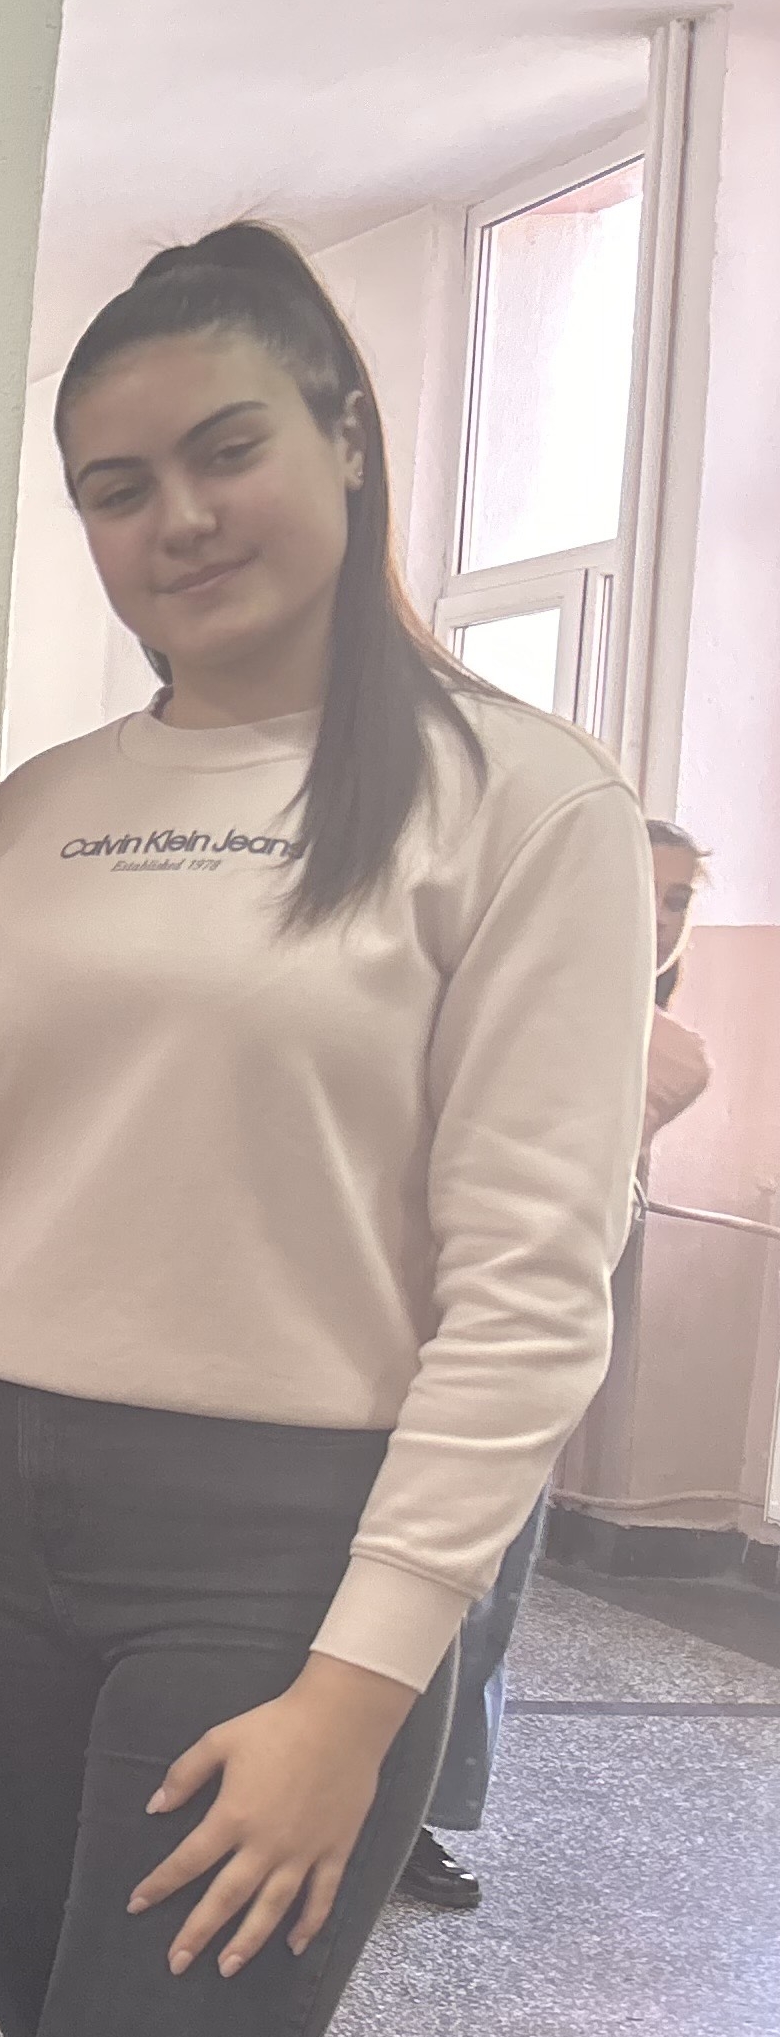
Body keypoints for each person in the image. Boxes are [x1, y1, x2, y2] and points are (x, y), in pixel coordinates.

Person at [0, 224, 649, 2037]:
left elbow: (530, 1293)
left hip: (276, 1561)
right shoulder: (44, 814)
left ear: (346, 427)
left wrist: (362, 1693)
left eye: (223, 449)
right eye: (116, 487)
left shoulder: (516, 802)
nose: (175, 519)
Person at [406, 811, 718, 1909]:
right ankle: (365, 1798)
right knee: (428, 1575)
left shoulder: (663, 1046)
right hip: (429, 1328)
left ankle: (413, 1815)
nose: (660, 918)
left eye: (679, 900)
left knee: (487, 1591)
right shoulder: (506, 1001)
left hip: (541, 1336)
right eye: (641, 889)